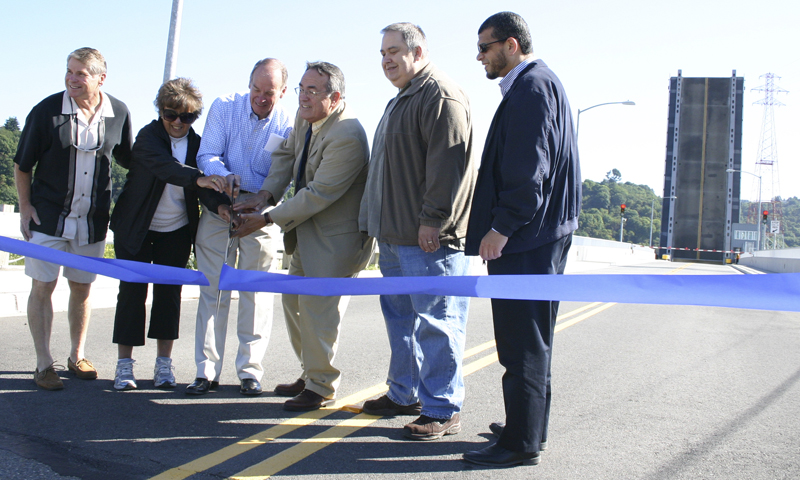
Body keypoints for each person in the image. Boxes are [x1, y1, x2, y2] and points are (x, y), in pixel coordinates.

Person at [462, 12, 581, 467]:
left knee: (520, 343)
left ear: (511, 45)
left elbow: (528, 170)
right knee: (533, 338)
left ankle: (519, 444)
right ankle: (529, 428)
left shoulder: (531, 88)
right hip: (541, 235)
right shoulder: (541, 84)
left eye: (485, 47)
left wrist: (501, 228)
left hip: (526, 239)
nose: (480, 56)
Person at [359, 23, 476, 440]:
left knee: (437, 322)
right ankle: (404, 393)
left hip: (429, 238)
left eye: (394, 51)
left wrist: (433, 219)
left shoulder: (439, 95)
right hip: (394, 236)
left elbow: (448, 165)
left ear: (418, 51)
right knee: (402, 321)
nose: (386, 59)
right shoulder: (402, 97)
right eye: (382, 53)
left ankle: (443, 408)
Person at [235, 61, 374, 411]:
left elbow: (319, 193)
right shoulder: (305, 117)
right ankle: (311, 373)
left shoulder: (347, 134)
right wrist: (265, 195)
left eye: (312, 91)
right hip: (307, 235)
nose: (303, 97)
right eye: (301, 88)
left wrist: (266, 218)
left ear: (335, 97)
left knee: (318, 312)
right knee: (294, 303)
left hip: (337, 242)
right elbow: (285, 155)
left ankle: (321, 386)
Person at [14, 47, 133, 390]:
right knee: (43, 286)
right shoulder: (47, 111)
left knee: (82, 287)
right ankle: (43, 363)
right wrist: (25, 207)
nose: (72, 78)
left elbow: (131, 162)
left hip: (92, 221)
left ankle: (76, 355)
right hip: (48, 217)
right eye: (69, 71)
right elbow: (22, 165)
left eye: (81, 73)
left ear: (101, 78)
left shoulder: (119, 112)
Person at [108, 78, 229, 390]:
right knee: (131, 293)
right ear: (160, 111)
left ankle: (164, 365)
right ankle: (124, 366)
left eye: (187, 117)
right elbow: (166, 168)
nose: (178, 122)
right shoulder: (148, 137)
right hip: (135, 227)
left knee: (169, 295)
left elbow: (206, 189)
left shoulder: (199, 145)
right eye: (170, 114)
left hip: (176, 230)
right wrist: (200, 178)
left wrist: (221, 207)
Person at [189, 58, 293, 396]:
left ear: (283, 92)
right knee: (212, 288)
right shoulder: (223, 107)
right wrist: (223, 176)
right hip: (220, 203)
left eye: (269, 93)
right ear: (248, 85)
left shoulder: (289, 124)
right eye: (256, 90)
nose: (261, 98)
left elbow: (283, 174)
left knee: (256, 293)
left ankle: (250, 371)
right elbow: (206, 155)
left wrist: (261, 202)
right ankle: (206, 371)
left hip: (262, 210)